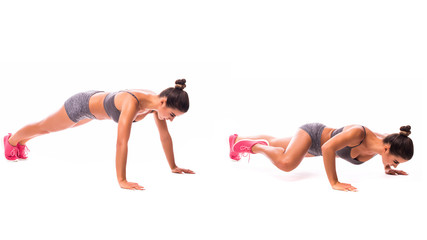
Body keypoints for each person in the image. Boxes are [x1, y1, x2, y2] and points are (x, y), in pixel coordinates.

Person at [4, 79, 195, 190]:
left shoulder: (156, 105)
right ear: (163, 102)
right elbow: (122, 142)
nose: (170, 119)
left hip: (96, 108)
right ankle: (11, 141)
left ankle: (20, 144)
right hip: (82, 105)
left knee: (54, 128)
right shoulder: (133, 103)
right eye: (172, 115)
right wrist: (122, 180)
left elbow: (164, 137)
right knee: (45, 127)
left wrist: (174, 166)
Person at [229, 123, 414, 192]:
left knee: (276, 141)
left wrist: (388, 168)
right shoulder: (359, 133)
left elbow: (388, 154)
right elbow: (327, 148)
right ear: (387, 148)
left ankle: (236, 140)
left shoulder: (385, 145)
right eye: (395, 161)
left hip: (314, 150)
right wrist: (334, 182)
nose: (394, 164)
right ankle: (255, 147)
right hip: (313, 135)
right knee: (286, 163)